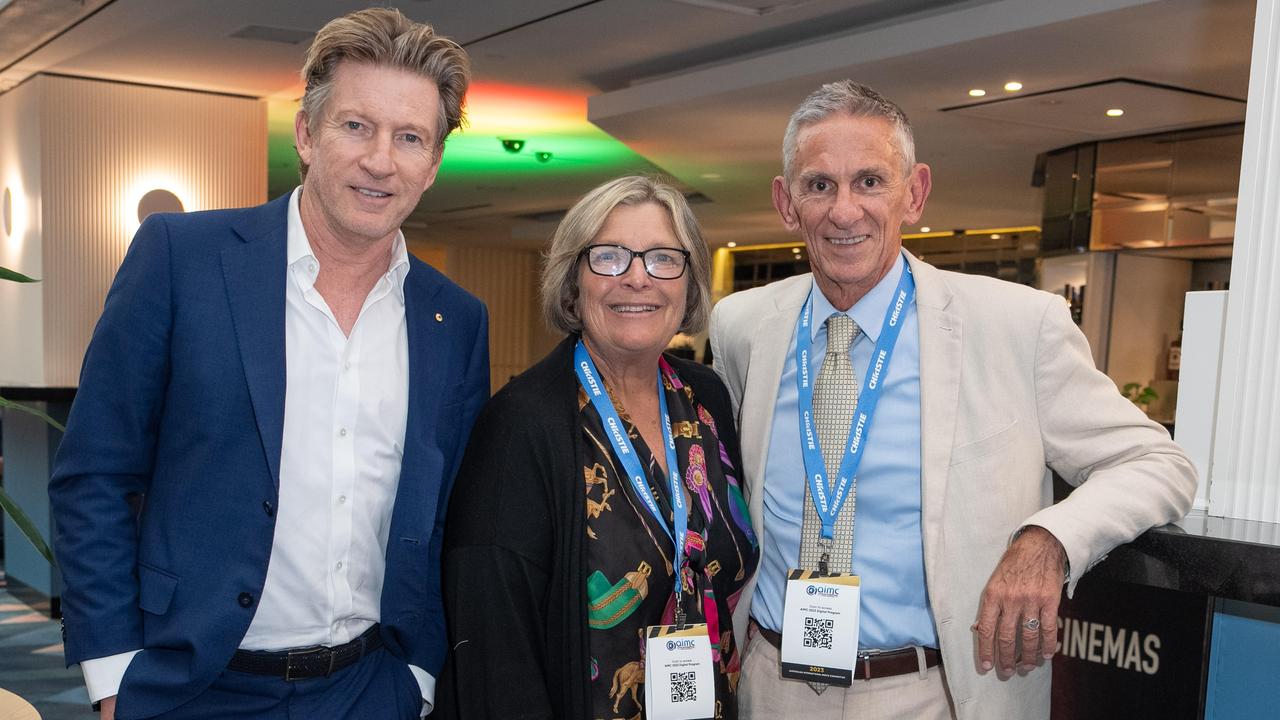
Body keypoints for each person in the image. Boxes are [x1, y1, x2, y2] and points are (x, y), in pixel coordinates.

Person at [47, 9, 488, 719]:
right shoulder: (179, 260)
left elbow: (444, 515)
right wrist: (113, 678)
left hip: (370, 688)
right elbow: (94, 472)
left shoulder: (456, 319)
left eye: (410, 137)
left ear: (433, 164)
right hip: (187, 685)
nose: (381, 159)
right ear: (307, 134)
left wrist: (419, 674)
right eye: (356, 126)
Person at [709, 80, 1197, 719]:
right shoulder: (742, 325)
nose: (844, 210)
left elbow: (1158, 463)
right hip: (771, 685)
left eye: (870, 182)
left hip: (934, 693)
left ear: (914, 194)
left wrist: (1047, 539)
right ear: (786, 201)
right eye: (819, 184)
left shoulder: (1016, 325)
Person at [438, 176, 759, 719]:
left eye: (662, 258)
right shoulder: (521, 423)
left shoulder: (706, 397)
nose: (637, 278)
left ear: (689, 285)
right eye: (609, 257)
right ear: (573, 283)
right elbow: (496, 652)